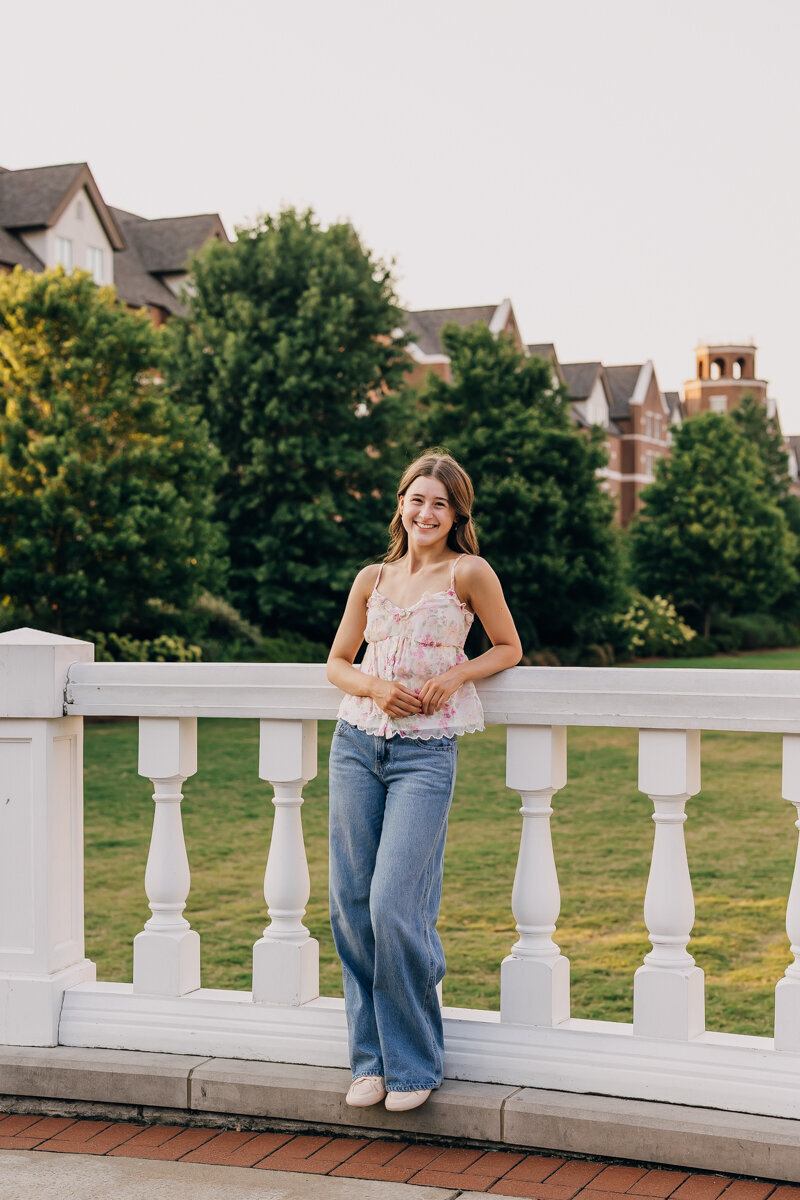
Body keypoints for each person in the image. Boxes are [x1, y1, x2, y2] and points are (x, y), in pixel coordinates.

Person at [326, 450, 522, 1113]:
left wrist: (458, 674)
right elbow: (336, 662)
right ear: (401, 505)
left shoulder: (469, 572)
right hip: (357, 743)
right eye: (417, 499)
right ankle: (370, 1062)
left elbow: (508, 646)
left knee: (393, 904)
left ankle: (414, 1063)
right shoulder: (372, 577)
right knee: (351, 906)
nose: (426, 512)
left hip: (426, 753)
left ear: (456, 513)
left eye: (440, 503)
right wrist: (375, 686)